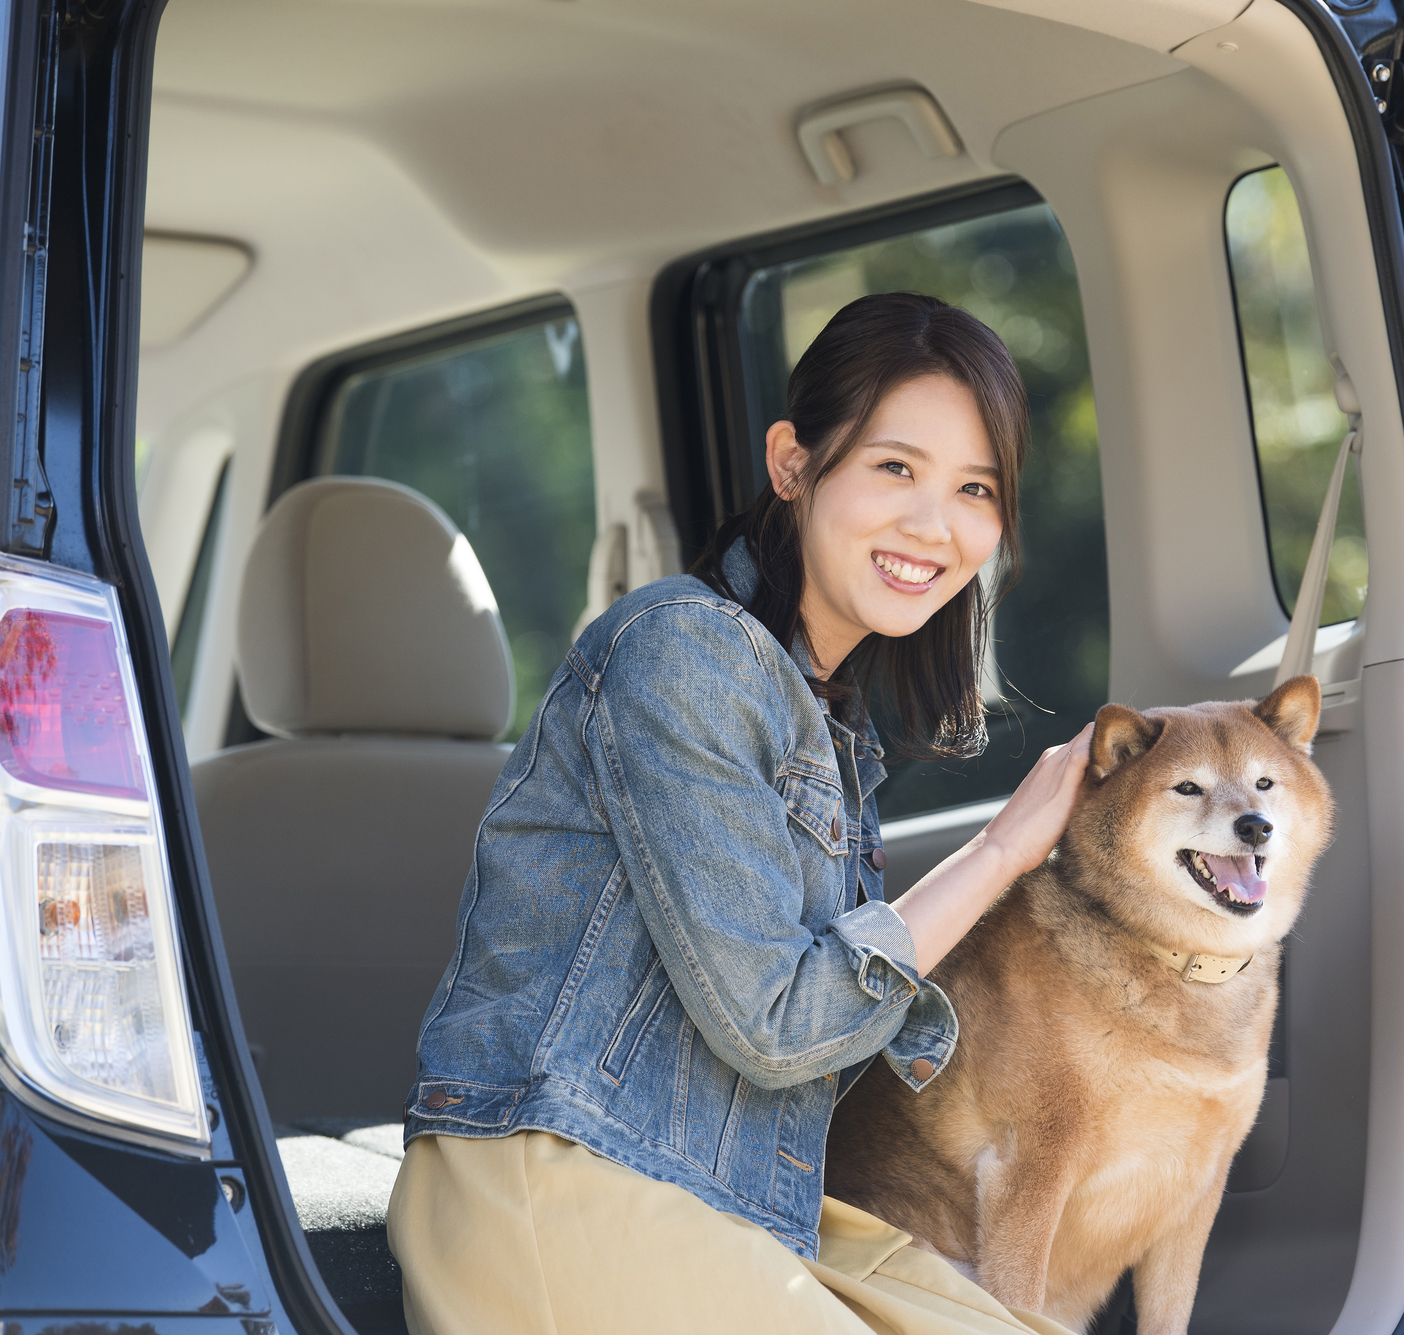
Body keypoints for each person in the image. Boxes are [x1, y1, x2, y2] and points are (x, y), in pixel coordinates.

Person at [386, 291, 1093, 1335]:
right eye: (895, 467)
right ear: (792, 463)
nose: (933, 525)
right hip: (565, 1178)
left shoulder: (827, 727)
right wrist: (1000, 850)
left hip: (725, 1196)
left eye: (974, 488)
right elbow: (776, 1029)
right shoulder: (681, 649)